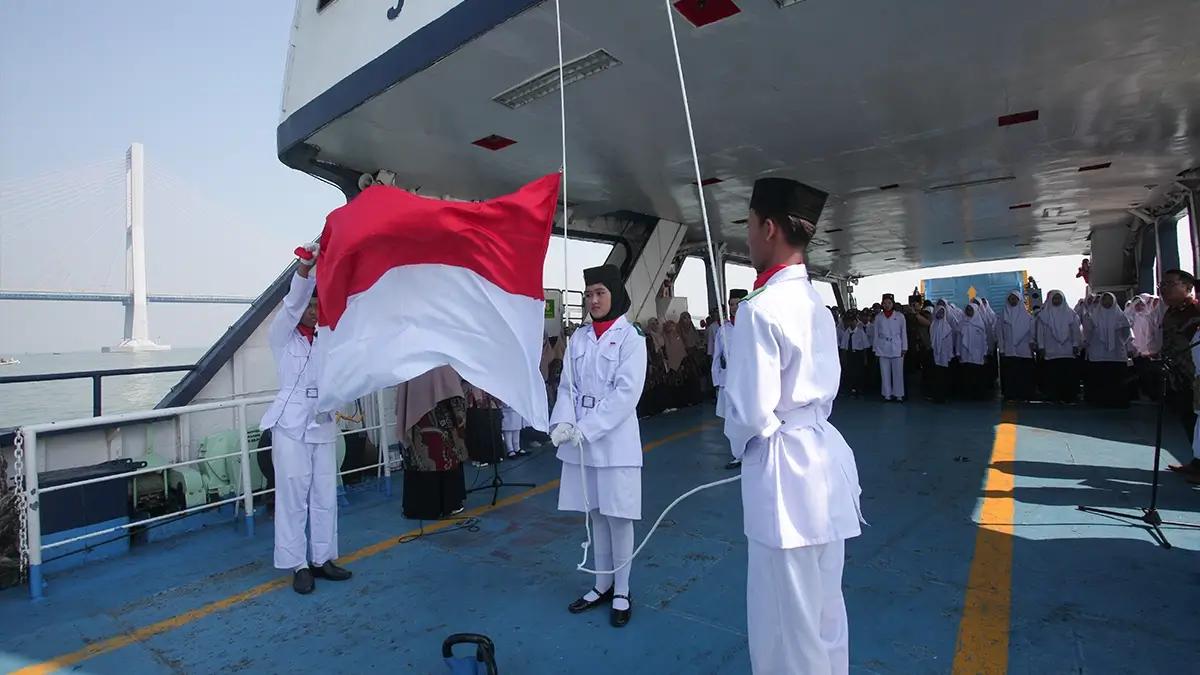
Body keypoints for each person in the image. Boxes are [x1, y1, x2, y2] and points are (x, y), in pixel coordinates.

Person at [723, 177, 863, 674]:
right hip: (825, 463)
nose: (748, 237)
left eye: (749, 224)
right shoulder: (816, 305)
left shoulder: (760, 311)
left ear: (768, 228)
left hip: (784, 481)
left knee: (783, 625)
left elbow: (747, 414)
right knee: (827, 617)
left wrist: (738, 445)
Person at [551, 264, 647, 628]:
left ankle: (622, 590)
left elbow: (626, 394)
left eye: (599, 293)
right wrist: (562, 421)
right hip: (581, 440)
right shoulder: (578, 338)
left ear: (614, 294)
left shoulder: (631, 338)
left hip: (614, 440)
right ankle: (602, 584)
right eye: (588, 294)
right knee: (594, 513)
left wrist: (586, 428)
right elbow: (566, 387)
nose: (593, 300)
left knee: (618, 517)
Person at [260, 244, 352, 595]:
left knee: (325, 492)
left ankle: (322, 558)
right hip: (291, 426)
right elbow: (292, 305)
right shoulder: (281, 337)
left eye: (317, 304)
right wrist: (304, 270)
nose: (313, 310)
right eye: (308, 305)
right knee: (293, 495)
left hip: (323, 421)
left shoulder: (327, 340)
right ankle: (297, 564)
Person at [395, 366, 470, 518]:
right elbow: (454, 395)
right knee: (443, 459)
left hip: (417, 429)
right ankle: (448, 505)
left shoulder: (411, 363)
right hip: (440, 426)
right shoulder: (440, 362)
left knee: (419, 461)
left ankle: (419, 508)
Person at [1163, 270, 1200, 477]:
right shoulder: (1171, 312)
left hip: (1195, 376)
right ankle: (1196, 461)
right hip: (1179, 376)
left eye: (1170, 284)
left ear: (1187, 287)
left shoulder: (1195, 311)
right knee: (1187, 419)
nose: (1164, 289)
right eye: (1162, 284)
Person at [1082, 292, 1132, 408]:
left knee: (1116, 378)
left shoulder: (1120, 316)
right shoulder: (1093, 315)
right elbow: (1087, 332)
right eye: (1105, 300)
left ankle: (1118, 401)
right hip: (1097, 352)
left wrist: (1119, 342)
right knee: (1099, 377)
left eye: (1109, 300)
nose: (1107, 302)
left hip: (1116, 353)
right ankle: (1098, 401)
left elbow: (1126, 333)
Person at [1036, 290, 1083, 403]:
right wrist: (1041, 346)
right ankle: (1053, 395)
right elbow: (1040, 332)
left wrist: (1076, 344)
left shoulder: (1071, 314)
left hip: (1067, 351)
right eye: (1055, 298)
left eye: (1059, 298)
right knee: (1052, 375)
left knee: (1067, 375)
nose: (1057, 301)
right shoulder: (1044, 315)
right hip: (1051, 351)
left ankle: (1069, 396)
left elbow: (1076, 331)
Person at [998, 289, 1036, 401]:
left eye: (1015, 298)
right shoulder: (1003, 316)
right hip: (1009, 350)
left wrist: (1032, 344)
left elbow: (1031, 333)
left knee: (1023, 374)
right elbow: (1000, 333)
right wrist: (1002, 348)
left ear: (1019, 300)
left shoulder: (1027, 317)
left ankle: (1025, 394)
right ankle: (1011, 394)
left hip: (1024, 350)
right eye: (1010, 299)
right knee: (1011, 375)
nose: (1012, 300)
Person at [873, 293, 908, 401]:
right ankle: (887, 394)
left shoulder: (900, 316)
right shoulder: (879, 317)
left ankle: (899, 395)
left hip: (897, 346)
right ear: (882, 304)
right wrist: (875, 348)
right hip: (883, 346)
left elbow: (903, 333)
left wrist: (904, 347)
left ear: (893, 303)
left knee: (898, 372)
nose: (887, 305)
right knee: (884, 372)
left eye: (889, 303)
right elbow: (876, 333)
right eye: (885, 303)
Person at [957, 303, 990, 399]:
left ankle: (978, 394)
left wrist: (984, 353)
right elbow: (959, 340)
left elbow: (984, 341)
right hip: (965, 353)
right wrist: (958, 352)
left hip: (977, 354)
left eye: (970, 310)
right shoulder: (962, 323)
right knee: (966, 374)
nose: (968, 312)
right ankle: (968, 394)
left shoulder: (979, 324)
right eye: (967, 310)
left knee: (977, 374)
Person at [927, 303, 957, 403]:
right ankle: (935, 395)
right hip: (934, 354)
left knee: (943, 376)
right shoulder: (933, 326)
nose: (940, 314)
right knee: (935, 376)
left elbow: (949, 343)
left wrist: (949, 355)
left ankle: (943, 396)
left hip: (944, 355)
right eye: (938, 312)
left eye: (942, 312)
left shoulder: (947, 327)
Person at [838, 310, 870, 398]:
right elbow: (843, 347)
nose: (851, 323)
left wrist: (865, 359)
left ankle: (859, 389)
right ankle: (852, 389)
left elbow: (865, 347)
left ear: (856, 321)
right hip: (850, 355)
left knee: (859, 373)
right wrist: (843, 358)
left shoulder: (860, 332)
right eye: (849, 321)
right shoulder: (846, 333)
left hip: (858, 354)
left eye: (853, 321)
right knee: (850, 372)